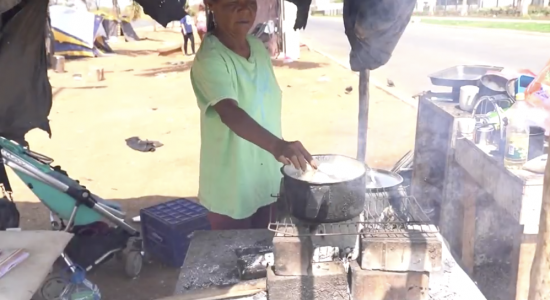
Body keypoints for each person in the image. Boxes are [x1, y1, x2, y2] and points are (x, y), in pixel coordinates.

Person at [190, 0, 316, 231]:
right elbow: (230, 112)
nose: (244, 9)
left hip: (266, 179)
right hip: (231, 187)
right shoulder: (211, 59)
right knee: (234, 259)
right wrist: (278, 146)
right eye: (232, 3)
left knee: (266, 253)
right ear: (211, 5)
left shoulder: (257, 48)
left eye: (249, 2)